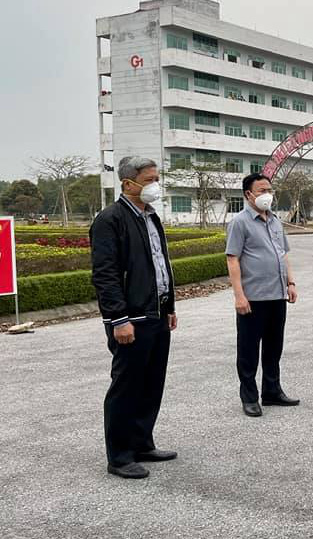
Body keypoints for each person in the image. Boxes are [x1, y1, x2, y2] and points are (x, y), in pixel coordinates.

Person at [90, 156, 178, 479]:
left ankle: (141, 443)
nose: (156, 184)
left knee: (151, 383)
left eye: (156, 178)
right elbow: (105, 274)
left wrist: (169, 307)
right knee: (126, 386)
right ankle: (119, 456)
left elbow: (159, 265)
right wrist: (118, 318)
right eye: (149, 179)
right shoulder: (109, 220)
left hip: (156, 313)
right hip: (131, 318)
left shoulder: (151, 216)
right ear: (128, 184)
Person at [225, 173, 299, 418]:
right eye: (262, 190)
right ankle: (249, 398)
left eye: (270, 190)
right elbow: (232, 259)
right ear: (248, 194)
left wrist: (290, 282)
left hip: (277, 295)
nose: (267, 194)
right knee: (248, 352)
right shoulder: (240, 222)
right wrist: (239, 296)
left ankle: (272, 391)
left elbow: (283, 254)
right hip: (253, 298)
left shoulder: (275, 221)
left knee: (273, 348)